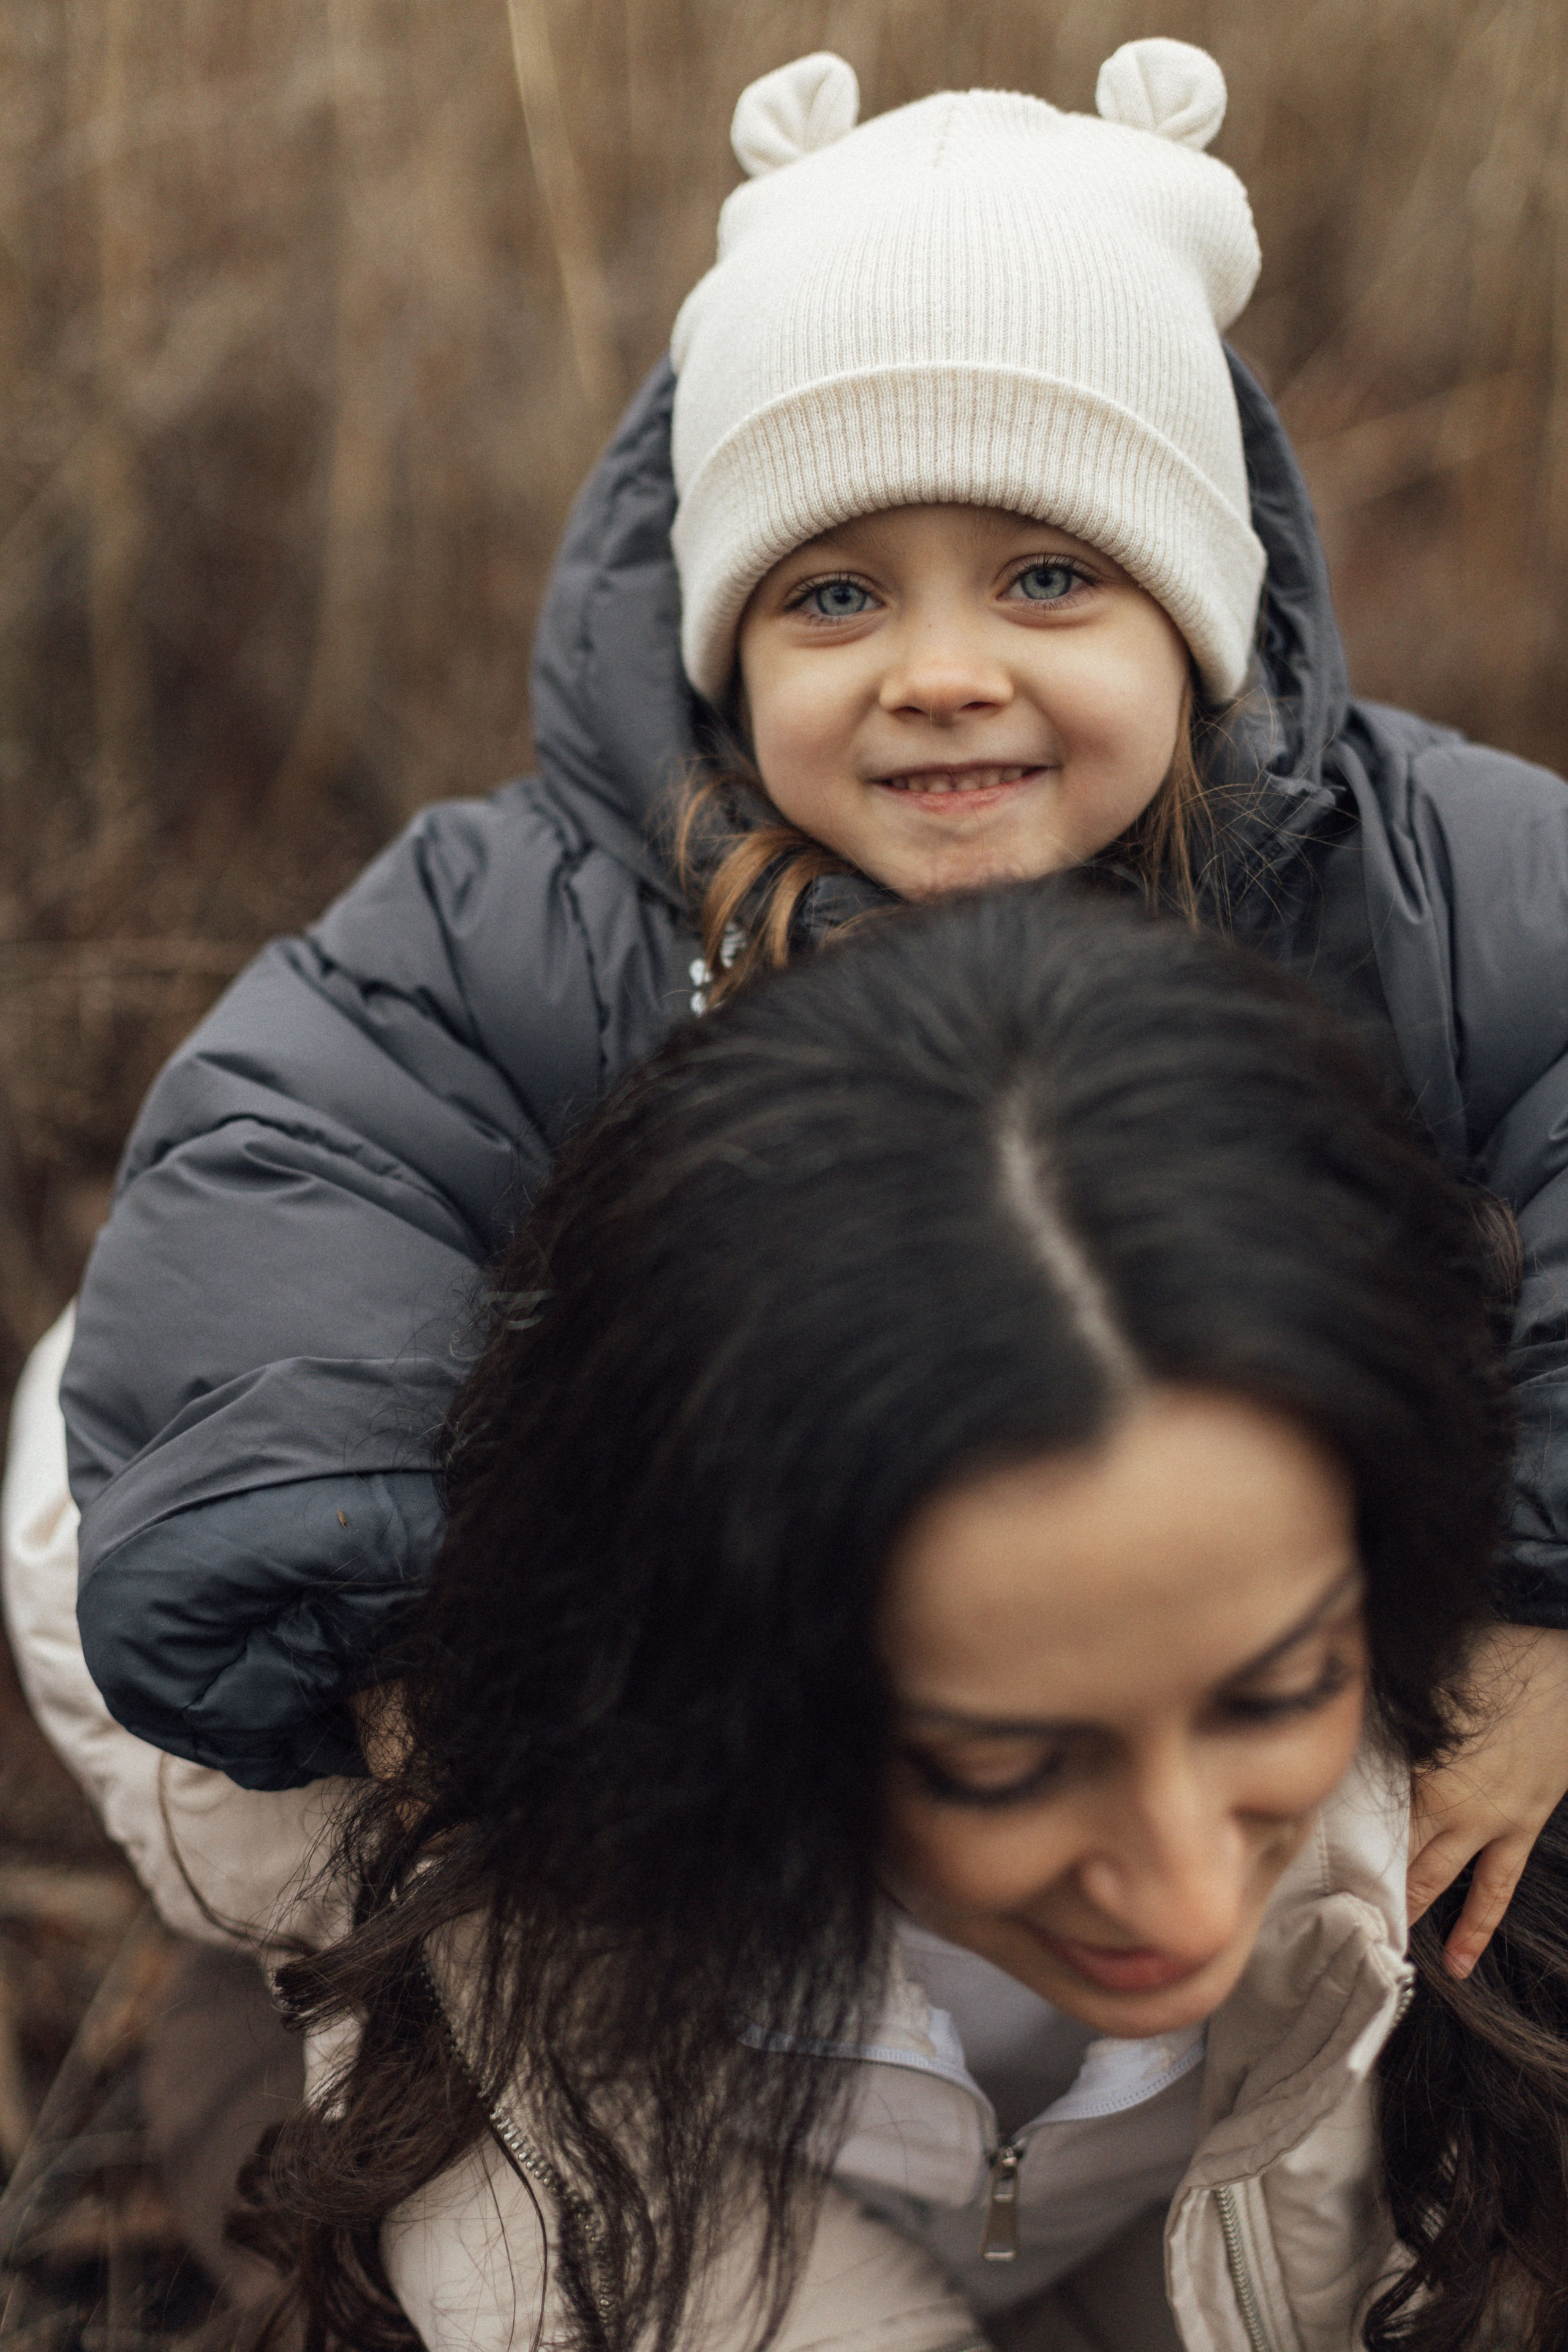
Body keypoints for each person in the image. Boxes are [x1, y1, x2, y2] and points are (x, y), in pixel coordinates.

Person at [43, 40, 1568, 1985]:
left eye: (1044, 577)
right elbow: (291, 1166)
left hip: (1175, 1666)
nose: (942, 672)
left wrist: (1545, 1595)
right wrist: (407, 1638)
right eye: (835, 599)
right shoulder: (546, 907)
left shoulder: (1422, 878)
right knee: (500, 1952)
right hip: (713, 1686)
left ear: (1194, 617)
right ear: (723, 648)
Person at [243, 884, 1568, 2352]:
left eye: (1270, 1697)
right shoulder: (355, 1734)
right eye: (996, 1766)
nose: (1191, 1900)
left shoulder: (1500, 1745)